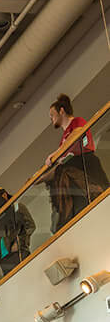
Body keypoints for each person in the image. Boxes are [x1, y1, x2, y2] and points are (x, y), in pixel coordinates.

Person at [44, 94, 108, 231]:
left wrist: (56, 153)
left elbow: (77, 133)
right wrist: (39, 178)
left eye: (52, 114)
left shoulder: (76, 122)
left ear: (61, 111)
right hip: (73, 176)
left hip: (85, 166)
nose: (51, 118)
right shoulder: (63, 139)